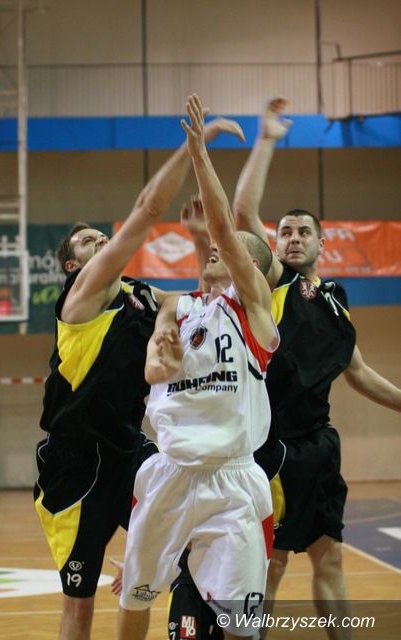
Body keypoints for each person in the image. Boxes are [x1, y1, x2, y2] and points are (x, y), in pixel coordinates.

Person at [167, 97, 401, 640]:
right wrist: (268, 138)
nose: (293, 238)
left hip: (320, 446)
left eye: (303, 232)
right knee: (267, 566)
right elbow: (243, 213)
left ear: (322, 242)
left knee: (330, 558)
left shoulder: (334, 300)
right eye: (286, 232)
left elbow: (359, 373)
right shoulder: (271, 283)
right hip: (272, 450)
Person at [33, 114, 245, 640]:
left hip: (131, 449)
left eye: (101, 236)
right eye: (88, 241)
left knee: (180, 554)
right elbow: (148, 208)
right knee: (79, 603)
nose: (101, 240)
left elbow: (204, 301)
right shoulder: (80, 299)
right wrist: (195, 146)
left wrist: (199, 239)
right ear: (72, 266)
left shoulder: (142, 295)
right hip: (75, 462)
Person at [117, 93, 280, 640]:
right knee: (136, 596)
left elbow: (224, 229)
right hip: (169, 470)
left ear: (251, 266)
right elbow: (152, 373)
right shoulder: (179, 307)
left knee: (240, 624)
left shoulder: (253, 310)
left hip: (232, 480)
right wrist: (159, 354)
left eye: (228, 248)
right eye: (209, 247)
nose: (215, 248)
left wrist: (199, 153)